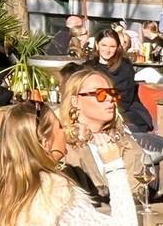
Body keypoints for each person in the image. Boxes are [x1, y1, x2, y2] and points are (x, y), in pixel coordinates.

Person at [0, 101, 138, 226]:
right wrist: (114, 165)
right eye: (60, 127)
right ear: (46, 143)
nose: (66, 131)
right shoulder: (52, 195)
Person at [57, 66, 144, 213]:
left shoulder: (125, 142)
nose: (110, 98)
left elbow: (137, 192)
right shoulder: (63, 147)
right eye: (100, 94)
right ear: (75, 101)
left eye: (112, 93)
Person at [84, 29, 153, 132]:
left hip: (124, 111)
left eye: (112, 46)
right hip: (94, 110)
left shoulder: (124, 66)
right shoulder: (88, 67)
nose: (107, 50)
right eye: (104, 45)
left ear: (117, 48)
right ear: (97, 45)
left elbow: (125, 98)